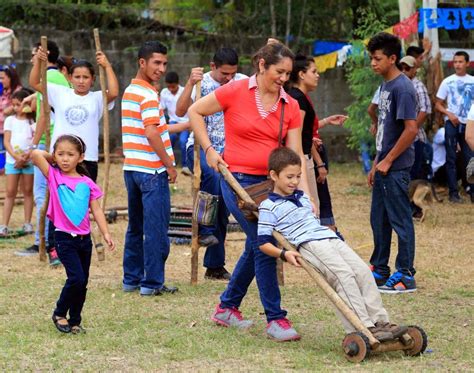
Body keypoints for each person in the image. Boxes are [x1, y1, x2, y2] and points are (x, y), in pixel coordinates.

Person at [189, 42, 315, 341]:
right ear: (262, 66)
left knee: (254, 243)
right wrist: (208, 149)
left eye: (288, 73)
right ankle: (275, 319)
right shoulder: (235, 90)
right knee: (264, 241)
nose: (284, 78)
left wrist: (306, 197)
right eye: (279, 72)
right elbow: (195, 112)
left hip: (270, 186)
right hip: (236, 181)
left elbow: (296, 157)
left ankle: (227, 307)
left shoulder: (291, 107)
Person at [257, 147, 407, 342]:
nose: (295, 181)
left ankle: (380, 322)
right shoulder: (268, 206)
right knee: (343, 276)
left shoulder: (302, 197)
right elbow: (262, 243)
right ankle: (363, 326)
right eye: (290, 177)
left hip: (329, 238)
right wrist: (284, 254)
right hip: (309, 244)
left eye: (298, 176)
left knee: (362, 271)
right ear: (274, 175)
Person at [31, 134, 115, 334]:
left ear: (81, 157)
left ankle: (75, 319)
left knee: (83, 281)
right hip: (64, 238)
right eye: (61, 154)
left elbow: (96, 210)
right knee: (76, 278)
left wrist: (106, 233)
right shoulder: (54, 176)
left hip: (84, 240)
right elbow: (35, 154)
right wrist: (54, 158)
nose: (65, 159)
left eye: (70, 155)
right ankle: (59, 313)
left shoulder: (87, 183)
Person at [176, 47, 247, 280]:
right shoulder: (201, 83)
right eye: (224, 73)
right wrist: (189, 83)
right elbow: (179, 111)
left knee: (225, 203)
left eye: (232, 74)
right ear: (212, 66)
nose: (229, 79)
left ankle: (215, 265)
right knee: (213, 179)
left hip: (230, 152)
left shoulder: (242, 83)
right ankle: (204, 229)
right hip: (199, 148)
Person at [121, 41, 178, 296]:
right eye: (156, 62)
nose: (161, 68)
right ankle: (152, 283)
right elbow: (151, 131)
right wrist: (169, 164)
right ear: (142, 62)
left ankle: (131, 279)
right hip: (152, 171)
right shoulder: (148, 94)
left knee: (135, 226)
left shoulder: (130, 91)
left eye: (164, 63)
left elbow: (154, 128)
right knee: (155, 230)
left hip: (131, 168)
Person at [367, 33, 418, 293]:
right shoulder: (386, 86)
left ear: (392, 58)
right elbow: (385, 130)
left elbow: (411, 130)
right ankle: (380, 268)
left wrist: (387, 161)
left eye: (377, 59)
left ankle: (406, 274)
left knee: (400, 221)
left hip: (397, 169)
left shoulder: (403, 87)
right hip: (384, 165)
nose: (373, 63)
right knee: (379, 219)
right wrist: (376, 162)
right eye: (371, 59)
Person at [15, 41, 71, 263]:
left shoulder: (51, 78)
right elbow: (43, 113)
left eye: (33, 54)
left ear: (43, 55)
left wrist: (35, 145)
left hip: (50, 143)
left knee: (42, 194)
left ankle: (44, 242)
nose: (30, 59)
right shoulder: (56, 77)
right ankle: (47, 241)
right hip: (53, 141)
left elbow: (45, 117)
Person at [29, 47, 118, 182]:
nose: (81, 81)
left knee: (84, 199)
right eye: (77, 77)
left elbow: (114, 92)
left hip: (87, 158)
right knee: (61, 198)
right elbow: (34, 83)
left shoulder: (97, 98)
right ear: (70, 78)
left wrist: (107, 66)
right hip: (60, 157)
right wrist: (39, 63)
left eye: (85, 77)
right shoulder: (60, 93)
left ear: (93, 79)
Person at [287, 55, 347, 234]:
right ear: (301, 74)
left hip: (304, 157)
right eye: (314, 71)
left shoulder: (299, 97)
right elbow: (295, 134)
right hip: (301, 159)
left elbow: (304, 130)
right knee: (311, 208)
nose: (318, 75)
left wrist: (327, 121)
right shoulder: (298, 98)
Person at [435, 51, 474, 203]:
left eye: (460, 61)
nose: (457, 64)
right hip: (451, 123)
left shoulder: (472, 80)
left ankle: (470, 189)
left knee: (469, 158)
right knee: (450, 158)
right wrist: (448, 113)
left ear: (467, 64)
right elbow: (438, 103)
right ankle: (453, 193)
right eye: (455, 61)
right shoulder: (447, 81)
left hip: (469, 124)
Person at [0, 89, 35, 236]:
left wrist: (26, 157)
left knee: (28, 192)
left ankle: (27, 223)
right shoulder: (10, 121)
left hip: (29, 162)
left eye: (18, 104)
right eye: (13, 105)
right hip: (12, 162)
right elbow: (7, 142)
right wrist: (16, 158)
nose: (15, 108)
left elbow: (34, 141)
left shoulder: (33, 121)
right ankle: (4, 225)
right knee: (10, 192)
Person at [399, 55, 432, 181]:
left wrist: (411, 130)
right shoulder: (399, 85)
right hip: (401, 136)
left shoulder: (418, 86)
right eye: (401, 67)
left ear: (414, 70)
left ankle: (413, 200)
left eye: (407, 68)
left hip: (415, 137)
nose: (403, 71)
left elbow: (425, 110)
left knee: (414, 171)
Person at [160, 71, 191, 175]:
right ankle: (169, 164)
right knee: (168, 141)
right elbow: (161, 108)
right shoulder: (164, 92)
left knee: (183, 142)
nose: (171, 89)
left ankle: (185, 166)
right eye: (169, 87)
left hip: (184, 122)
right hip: (172, 122)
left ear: (178, 84)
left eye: (173, 87)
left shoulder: (185, 91)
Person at [0, 64, 22, 174]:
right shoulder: (3, 91)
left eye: (3, 78)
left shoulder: (18, 91)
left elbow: (20, 105)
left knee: (10, 147)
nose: (1, 80)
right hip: (1, 127)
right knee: (2, 149)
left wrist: (11, 108)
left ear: (10, 77)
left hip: (12, 128)